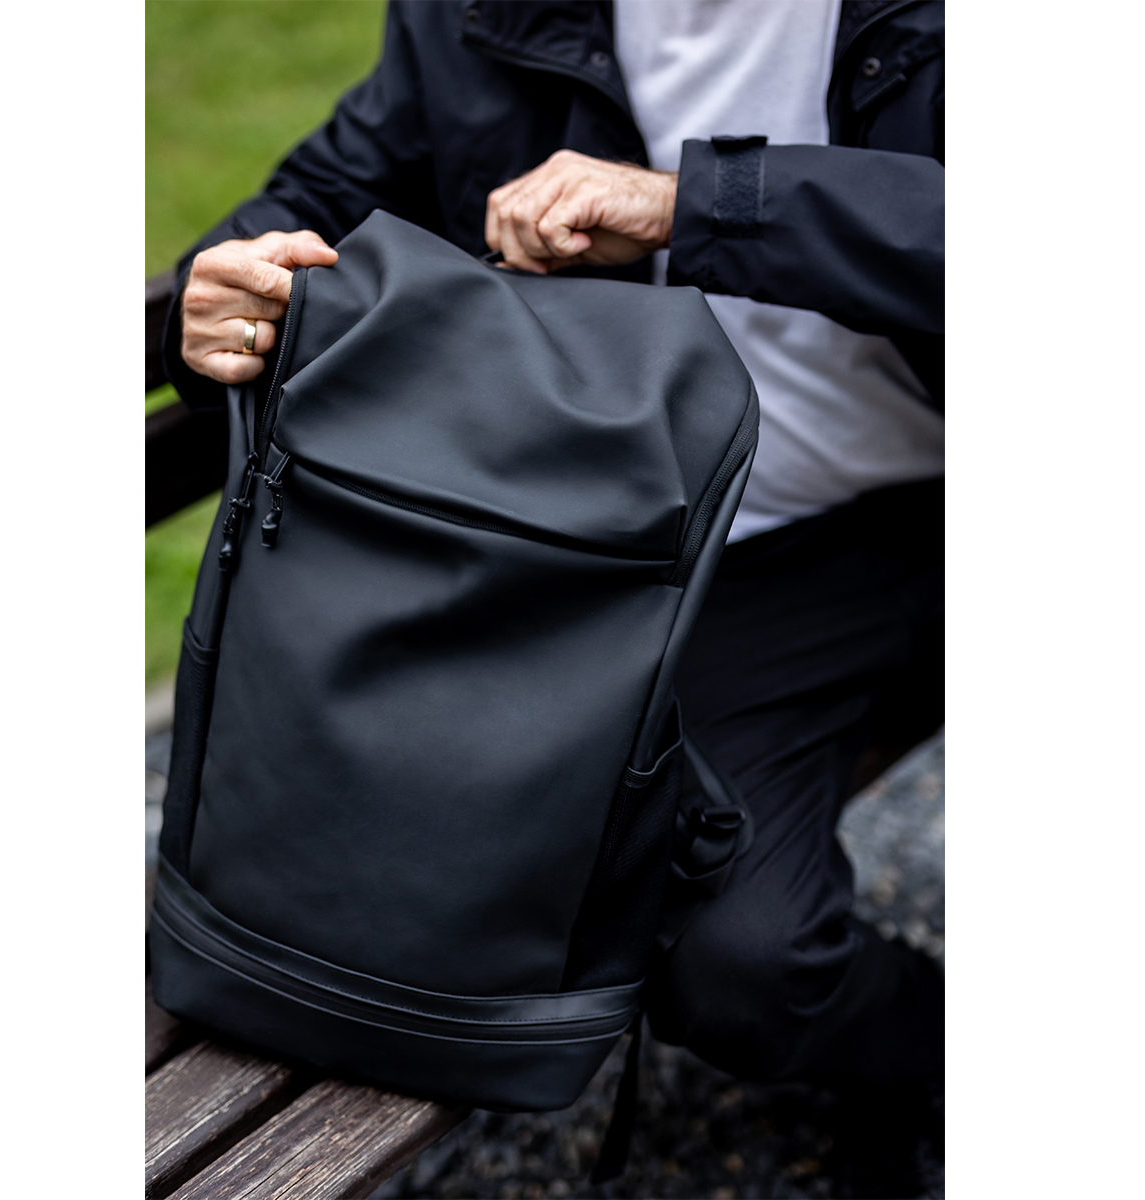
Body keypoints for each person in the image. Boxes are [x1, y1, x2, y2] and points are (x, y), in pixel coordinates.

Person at [163, 2, 944, 1192]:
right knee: (734, 959)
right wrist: (220, 285)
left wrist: (704, 205)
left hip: (924, 509)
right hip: (633, 546)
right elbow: (337, 187)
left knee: (719, 941)